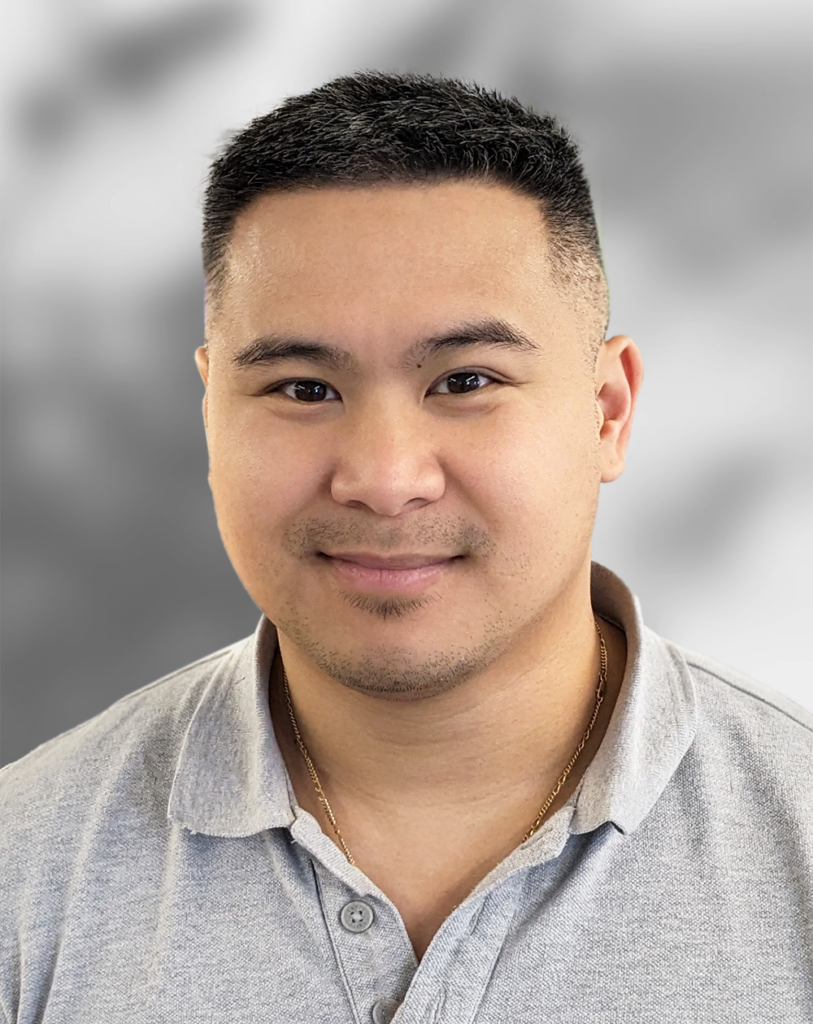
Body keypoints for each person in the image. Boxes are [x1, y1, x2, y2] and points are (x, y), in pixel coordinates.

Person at [1, 71, 811, 1024]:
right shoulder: (25, 869)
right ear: (210, 414)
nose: (384, 479)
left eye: (465, 380)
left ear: (607, 411)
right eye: (303, 388)